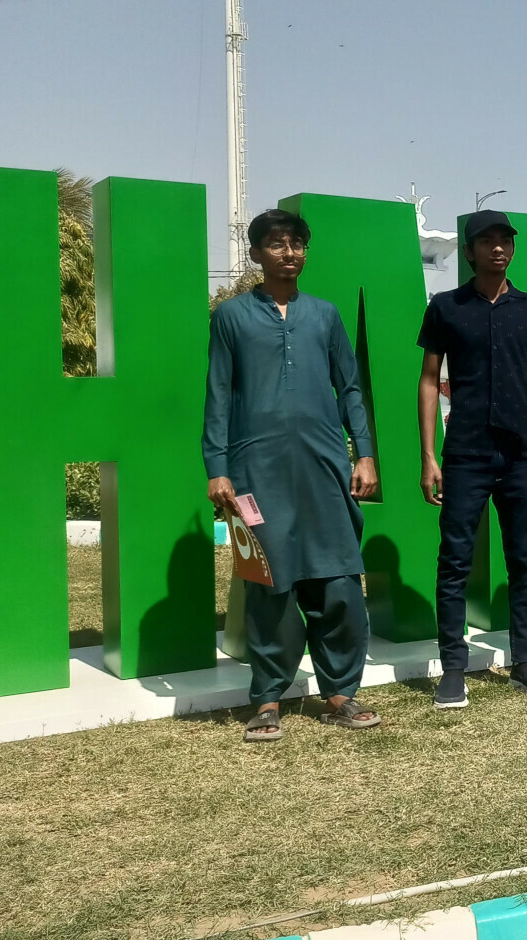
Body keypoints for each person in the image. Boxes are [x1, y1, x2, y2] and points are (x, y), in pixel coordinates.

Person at [205, 209, 383, 742]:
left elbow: (350, 388)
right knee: (269, 581)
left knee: (338, 578)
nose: (289, 252)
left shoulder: (324, 315)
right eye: (276, 244)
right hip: (256, 465)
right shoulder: (231, 316)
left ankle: (341, 693)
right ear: (256, 253)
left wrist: (365, 454)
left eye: (297, 243)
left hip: (325, 463)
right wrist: (218, 467)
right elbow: (218, 394)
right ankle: (267, 697)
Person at [417, 210, 527, 708]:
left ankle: (526, 663)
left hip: (522, 455)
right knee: (454, 561)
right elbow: (427, 380)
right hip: (464, 454)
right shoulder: (446, 306)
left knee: (525, 561)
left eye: (505, 240)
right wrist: (428, 455)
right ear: (470, 250)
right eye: (487, 241)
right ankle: (453, 669)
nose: (498, 248)